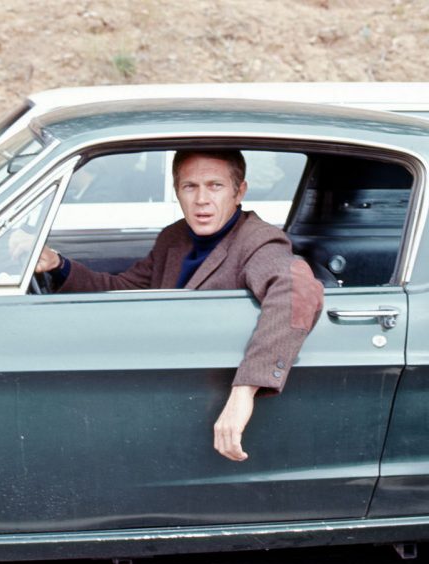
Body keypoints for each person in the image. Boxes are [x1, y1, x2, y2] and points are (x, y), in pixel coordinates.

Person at [35, 150, 324, 462]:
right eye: (190, 187)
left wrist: (245, 390)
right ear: (177, 192)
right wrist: (58, 265)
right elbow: (126, 290)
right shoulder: (175, 237)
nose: (201, 199)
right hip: (165, 386)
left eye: (215, 186)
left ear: (239, 191)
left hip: (209, 395)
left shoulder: (259, 241)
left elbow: (297, 290)